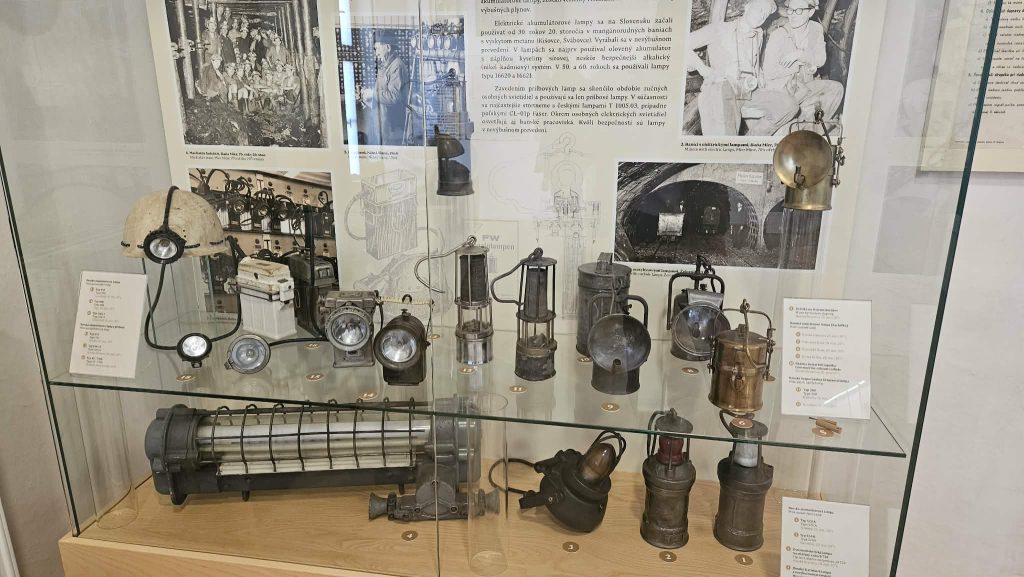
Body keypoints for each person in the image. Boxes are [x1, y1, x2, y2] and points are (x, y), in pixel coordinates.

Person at [687, 0, 779, 136]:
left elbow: (756, 63)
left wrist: (760, 76)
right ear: (747, 7)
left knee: (788, 105)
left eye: (765, 14)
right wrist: (702, 68)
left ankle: (750, 141)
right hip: (720, 88)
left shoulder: (758, 35)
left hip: (745, 92)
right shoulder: (720, 29)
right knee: (723, 140)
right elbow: (682, 43)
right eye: (759, 9)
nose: (761, 16)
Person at [752, 0, 844, 135]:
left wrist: (800, 55)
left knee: (836, 89)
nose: (793, 15)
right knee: (792, 111)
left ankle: (810, 132)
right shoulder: (779, 34)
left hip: (805, 85)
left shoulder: (816, 29)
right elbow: (769, 73)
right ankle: (798, 129)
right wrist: (798, 65)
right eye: (790, 10)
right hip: (783, 90)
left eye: (799, 10)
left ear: (810, 12)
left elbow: (820, 60)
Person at [360, 34, 410, 144]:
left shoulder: (397, 66)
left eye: (377, 48)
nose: (376, 53)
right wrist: (366, 98)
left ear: (387, 47)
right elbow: (381, 92)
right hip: (380, 123)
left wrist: (372, 93)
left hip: (391, 127)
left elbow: (393, 97)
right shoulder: (385, 65)